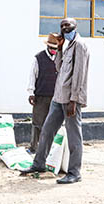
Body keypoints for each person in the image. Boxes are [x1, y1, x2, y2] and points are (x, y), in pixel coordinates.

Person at [19, 18, 90, 185]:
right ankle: (39, 164)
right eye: (62, 26)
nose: (65, 28)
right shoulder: (66, 47)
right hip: (58, 98)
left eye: (68, 25)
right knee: (46, 131)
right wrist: (58, 48)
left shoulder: (80, 45)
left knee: (74, 137)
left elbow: (79, 75)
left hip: (70, 100)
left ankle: (74, 172)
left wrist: (74, 100)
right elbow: (58, 68)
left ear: (75, 27)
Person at [27, 33, 62, 154]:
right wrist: (31, 92)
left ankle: (50, 148)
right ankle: (34, 147)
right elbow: (33, 76)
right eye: (52, 48)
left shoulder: (60, 58)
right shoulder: (39, 58)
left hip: (56, 96)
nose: (54, 50)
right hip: (41, 96)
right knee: (38, 123)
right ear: (48, 47)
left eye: (56, 48)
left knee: (53, 124)